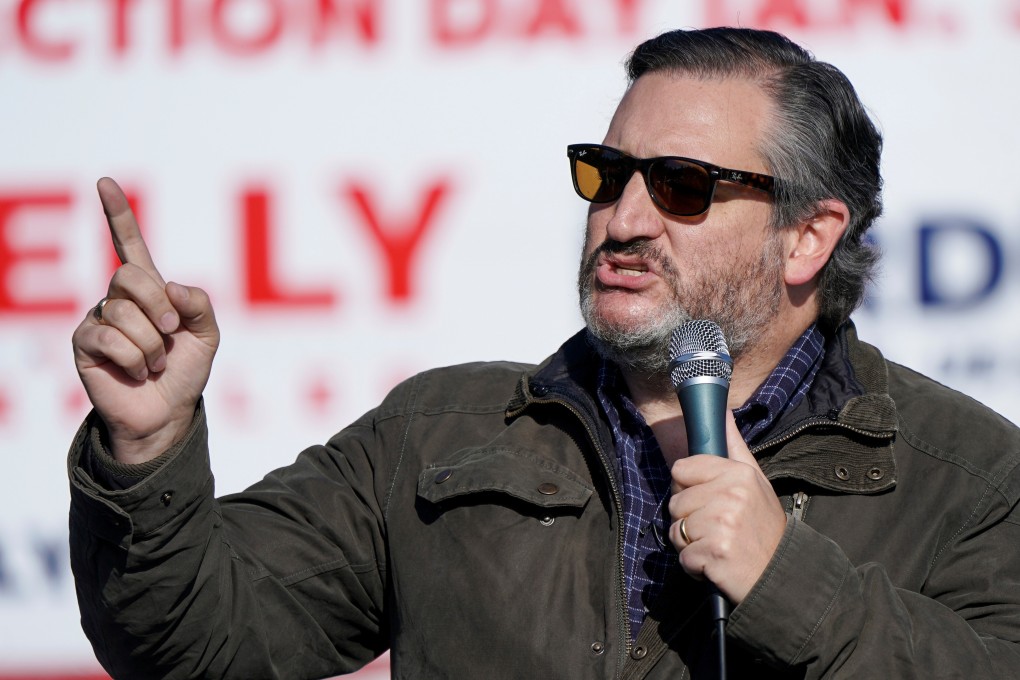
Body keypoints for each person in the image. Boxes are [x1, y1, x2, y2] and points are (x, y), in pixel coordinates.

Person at [67, 27, 1020, 679]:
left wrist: (790, 583)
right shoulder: (434, 437)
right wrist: (146, 453)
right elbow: (187, 645)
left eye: (684, 186)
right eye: (607, 176)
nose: (625, 219)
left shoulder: (972, 480)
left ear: (808, 237)